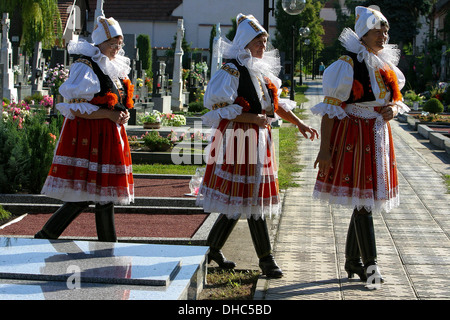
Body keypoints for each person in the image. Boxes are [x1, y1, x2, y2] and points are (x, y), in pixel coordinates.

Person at [196, 13, 318, 278]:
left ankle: (211, 248)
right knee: (251, 198)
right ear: (245, 43)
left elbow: (275, 107)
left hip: (259, 139)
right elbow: (216, 108)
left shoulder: (261, 73)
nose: (263, 46)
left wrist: (299, 123)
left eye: (264, 41)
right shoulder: (231, 70)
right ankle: (266, 259)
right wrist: (251, 117)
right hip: (238, 139)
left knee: (242, 198)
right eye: (258, 41)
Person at [311, 6, 409, 288]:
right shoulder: (346, 64)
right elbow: (330, 110)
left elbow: (395, 99)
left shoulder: (385, 65)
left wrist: (393, 110)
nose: (384, 35)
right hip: (354, 137)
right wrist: (325, 148)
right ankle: (371, 267)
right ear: (364, 33)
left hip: (378, 135)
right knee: (364, 202)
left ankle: (353, 260)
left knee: (364, 200)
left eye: (385, 31)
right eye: (378, 30)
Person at [35, 16, 134, 242]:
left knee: (104, 194)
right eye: (112, 44)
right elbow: (76, 108)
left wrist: (121, 113)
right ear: (100, 43)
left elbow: (113, 101)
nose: (117, 48)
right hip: (89, 136)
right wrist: (109, 114)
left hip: (108, 135)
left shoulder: (113, 68)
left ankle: (107, 243)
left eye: (119, 43)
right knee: (85, 194)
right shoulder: (85, 65)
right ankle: (47, 233)